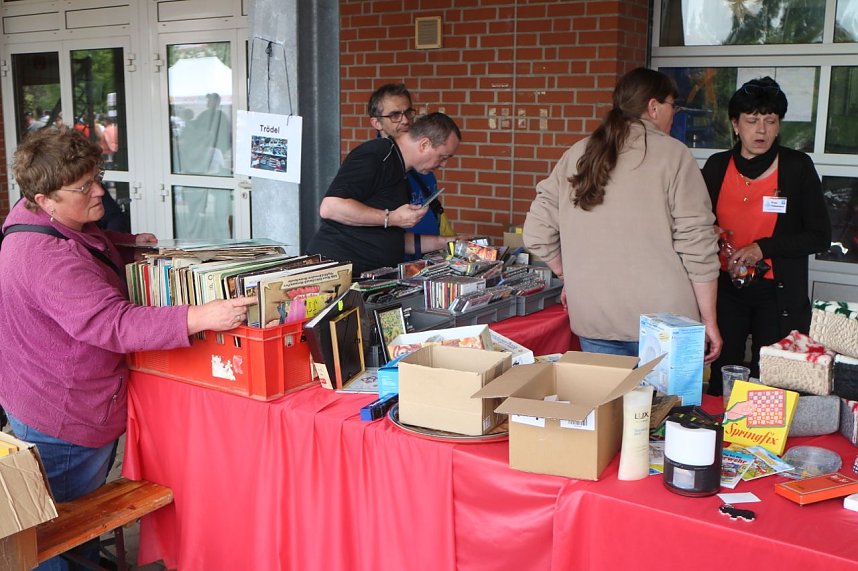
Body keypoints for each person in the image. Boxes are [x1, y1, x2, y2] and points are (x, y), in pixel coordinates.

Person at [0, 128, 256, 570]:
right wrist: (201, 316)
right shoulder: (47, 257)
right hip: (62, 414)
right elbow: (111, 323)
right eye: (84, 187)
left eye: (96, 176)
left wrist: (126, 245)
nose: (99, 191)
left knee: (65, 522)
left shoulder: (38, 217)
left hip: (40, 394)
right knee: (56, 532)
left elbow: (83, 242)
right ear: (45, 199)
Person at [523, 67, 722, 362]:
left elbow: (535, 233)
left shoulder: (578, 154)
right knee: (671, 409)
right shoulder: (674, 155)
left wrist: (569, 276)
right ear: (653, 107)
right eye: (673, 106)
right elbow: (698, 245)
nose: (674, 114)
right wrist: (710, 320)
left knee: (609, 408)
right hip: (668, 323)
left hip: (595, 317)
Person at [702, 77, 831, 394]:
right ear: (735, 124)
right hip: (725, 289)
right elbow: (694, 224)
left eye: (770, 121)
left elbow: (819, 236)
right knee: (723, 372)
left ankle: (764, 440)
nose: (761, 130)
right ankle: (724, 437)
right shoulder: (717, 167)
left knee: (772, 378)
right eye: (751, 120)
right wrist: (709, 231)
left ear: (779, 124)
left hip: (777, 293)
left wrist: (764, 248)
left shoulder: (797, 167)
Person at [307, 112, 461, 276]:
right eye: (443, 157)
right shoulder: (377, 154)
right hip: (339, 272)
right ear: (424, 144)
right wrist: (392, 217)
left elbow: (392, 238)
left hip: (372, 276)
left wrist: (446, 242)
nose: (443, 164)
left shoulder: (405, 172)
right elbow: (331, 207)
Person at [368, 84, 456, 245]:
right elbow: (334, 210)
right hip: (391, 260)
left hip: (428, 257)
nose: (405, 120)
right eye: (395, 115)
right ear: (376, 123)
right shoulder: (372, 162)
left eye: (408, 112)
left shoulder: (421, 162)